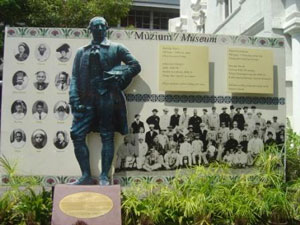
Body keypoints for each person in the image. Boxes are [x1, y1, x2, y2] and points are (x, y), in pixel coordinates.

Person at [69, 17, 141, 185]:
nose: (100, 28)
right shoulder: (81, 52)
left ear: (107, 28)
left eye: (103, 26)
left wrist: (119, 78)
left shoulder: (117, 48)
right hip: (86, 99)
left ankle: (104, 176)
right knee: (76, 134)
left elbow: (135, 66)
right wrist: (73, 98)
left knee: (107, 136)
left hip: (108, 98)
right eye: (96, 26)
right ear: (90, 29)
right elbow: (74, 77)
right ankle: (86, 175)